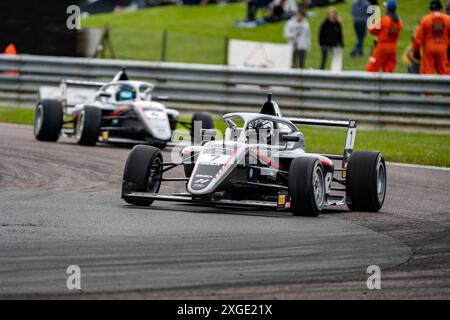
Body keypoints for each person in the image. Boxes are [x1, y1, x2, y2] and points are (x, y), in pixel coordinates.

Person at [414, 0, 450, 75]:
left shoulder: (425, 19)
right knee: (443, 72)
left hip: (429, 49)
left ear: (430, 8)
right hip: (443, 49)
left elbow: (418, 37)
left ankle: (427, 86)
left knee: (427, 72)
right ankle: (445, 86)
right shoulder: (447, 19)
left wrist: (416, 51)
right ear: (440, 8)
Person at [365, 0, 403, 73]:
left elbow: (371, 30)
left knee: (370, 69)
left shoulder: (384, 20)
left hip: (382, 47)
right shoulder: (399, 22)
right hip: (393, 48)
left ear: (387, 9)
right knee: (389, 70)